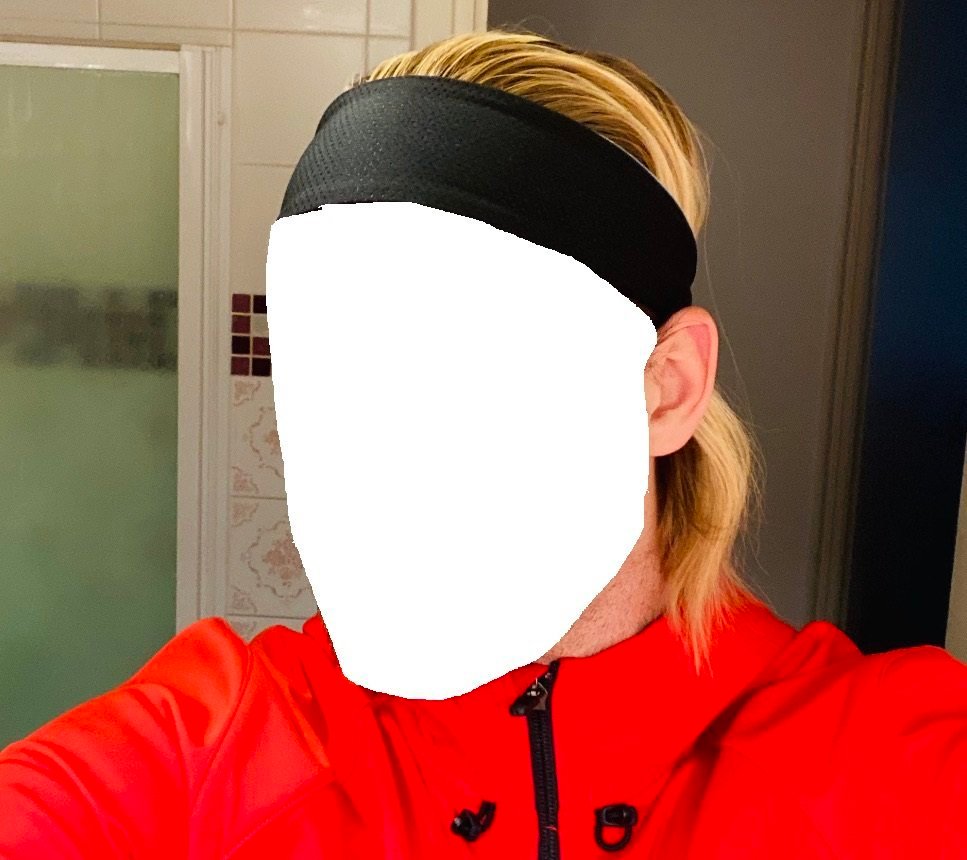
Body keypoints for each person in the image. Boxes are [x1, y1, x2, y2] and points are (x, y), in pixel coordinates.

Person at [2, 28, 966, 859]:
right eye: (332, 374)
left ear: (666, 388)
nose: (380, 459)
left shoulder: (897, 765)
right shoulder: (217, 741)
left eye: (469, 364)